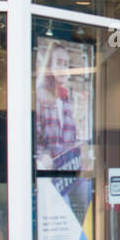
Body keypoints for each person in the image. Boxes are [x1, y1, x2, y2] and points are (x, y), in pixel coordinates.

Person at [35, 42, 79, 170]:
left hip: (65, 173)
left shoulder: (66, 99)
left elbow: (70, 138)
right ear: (49, 66)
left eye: (66, 64)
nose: (63, 68)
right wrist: (42, 156)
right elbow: (33, 137)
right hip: (46, 173)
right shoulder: (39, 96)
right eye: (59, 62)